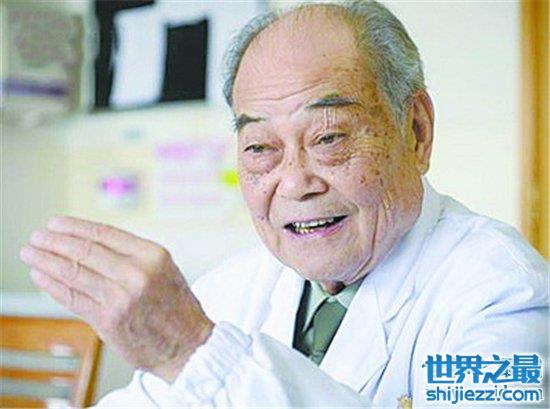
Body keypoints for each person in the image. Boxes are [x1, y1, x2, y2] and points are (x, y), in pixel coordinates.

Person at [20, 1, 548, 407]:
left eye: (329, 137)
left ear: (416, 131)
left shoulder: (503, 293)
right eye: (260, 148)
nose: (294, 183)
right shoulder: (231, 289)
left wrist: (194, 353)